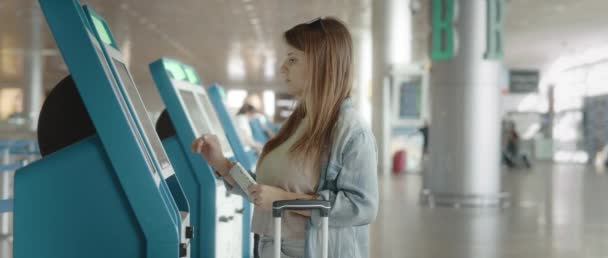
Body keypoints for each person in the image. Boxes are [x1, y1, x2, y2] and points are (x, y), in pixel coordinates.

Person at [192, 17, 379, 258]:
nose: (282, 68)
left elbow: (362, 207)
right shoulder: (297, 123)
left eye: (292, 60)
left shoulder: (352, 132)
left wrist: (285, 200)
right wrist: (222, 164)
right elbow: (265, 192)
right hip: (271, 246)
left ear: (323, 65)